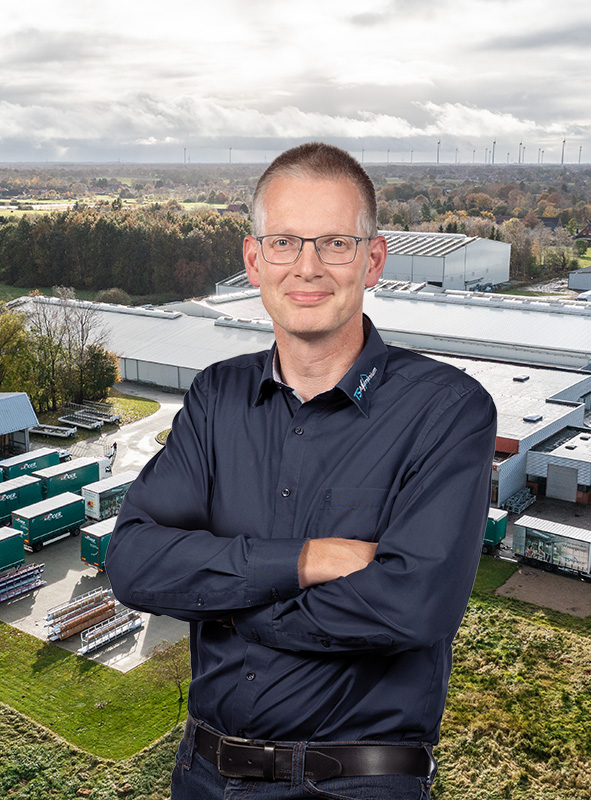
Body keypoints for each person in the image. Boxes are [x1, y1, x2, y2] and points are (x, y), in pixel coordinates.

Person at [106, 142, 497, 800]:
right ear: (255, 260)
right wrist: (304, 561)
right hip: (202, 777)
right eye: (285, 242)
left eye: (336, 243)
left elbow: (413, 605)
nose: (308, 268)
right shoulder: (216, 398)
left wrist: (226, 599)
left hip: (349, 788)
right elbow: (134, 562)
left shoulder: (446, 410)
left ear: (373, 261)